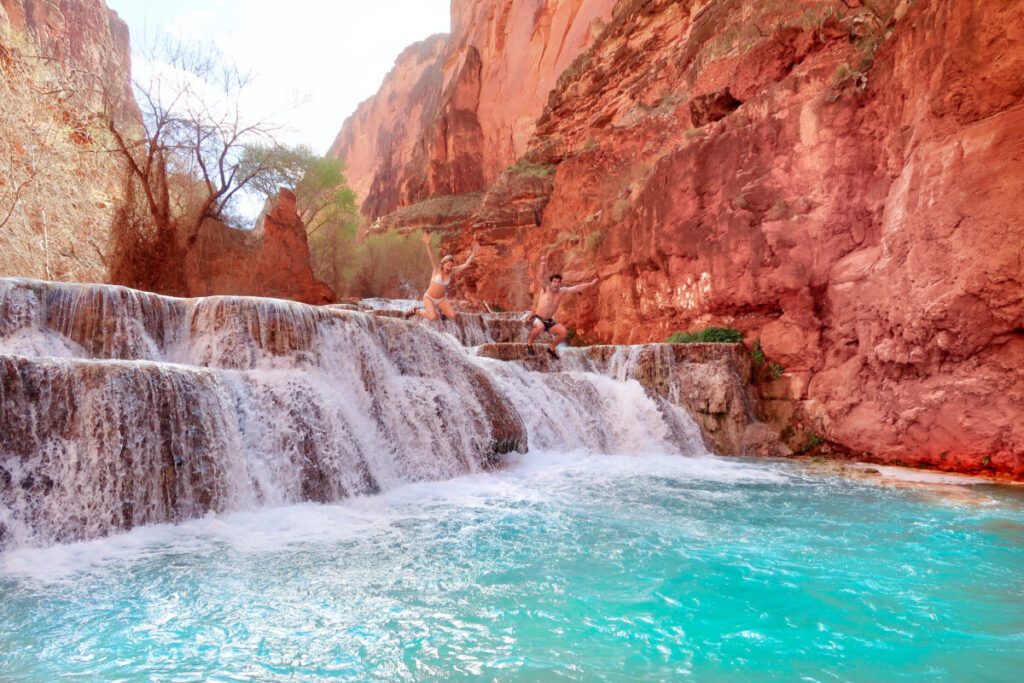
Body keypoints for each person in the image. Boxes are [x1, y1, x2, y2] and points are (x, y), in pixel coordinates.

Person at [526, 254, 599, 359]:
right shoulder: (546, 289)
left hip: (548, 321)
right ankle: (529, 343)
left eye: (558, 282)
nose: (556, 284)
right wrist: (542, 263)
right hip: (537, 318)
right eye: (554, 282)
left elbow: (577, 288)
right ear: (551, 282)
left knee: (563, 332)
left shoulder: (562, 291)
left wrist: (591, 284)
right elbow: (540, 277)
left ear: (560, 283)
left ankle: (551, 348)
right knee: (540, 326)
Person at [405, 232, 478, 321]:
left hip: (441, 299)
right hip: (429, 298)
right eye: (448, 265)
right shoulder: (436, 270)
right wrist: (428, 245)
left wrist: (473, 254)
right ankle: (416, 311)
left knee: (453, 315)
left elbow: (465, 265)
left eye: (451, 266)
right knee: (433, 317)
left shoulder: (451, 271)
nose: (449, 267)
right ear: (443, 264)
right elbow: (431, 257)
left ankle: (440, 310)